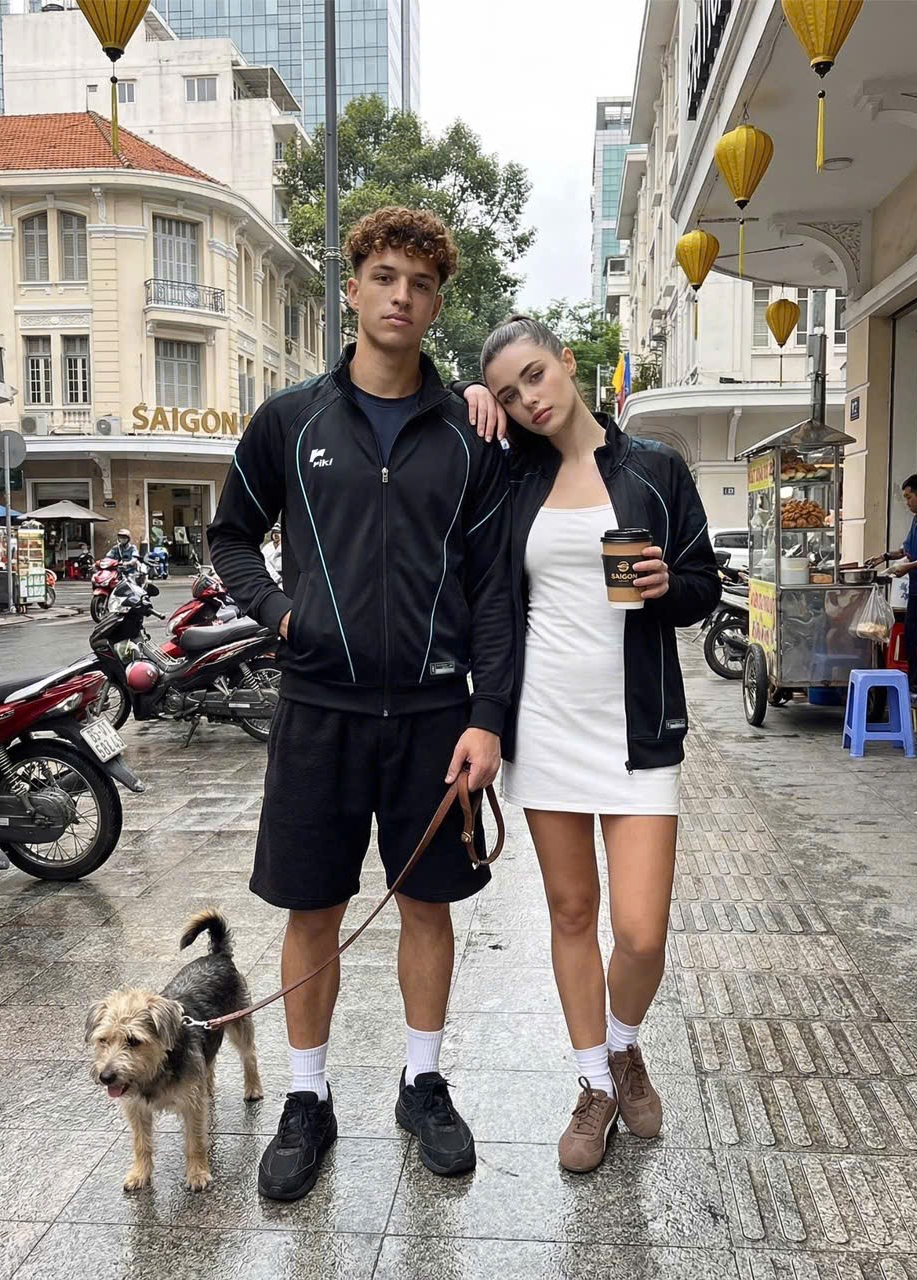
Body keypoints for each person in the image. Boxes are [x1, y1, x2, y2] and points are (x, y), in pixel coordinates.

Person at [207, 207, 513, 1202]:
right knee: (312, 908)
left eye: (420, 285)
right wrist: (279, 614)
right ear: (353, 288)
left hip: (432, 716)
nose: (400, 297)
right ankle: (307, 1095)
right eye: (384, 277)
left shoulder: (469, 434)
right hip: (318, 708)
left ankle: (422, 1083)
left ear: (437, 303)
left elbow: (494, 588)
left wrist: (487, 715)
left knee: (428, 904)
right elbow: (228, 535)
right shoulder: (290, 419)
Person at [459, 315, 719, 1173]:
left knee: (641, 933)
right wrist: (469, 391)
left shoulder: (654, 466)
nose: (527, 401)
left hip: (638, 726)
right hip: (546, 726)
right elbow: (495, 605)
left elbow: (702, 586)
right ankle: (595, 1083)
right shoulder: (510, 477)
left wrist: (667, 583)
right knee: (571, 913)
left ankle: (623, 1041)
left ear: (568, 363)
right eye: (508, 393)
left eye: (534, 376)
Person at [869, 472, 917, 705]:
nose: (907, 502)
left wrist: (907, 567)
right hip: (915, 591)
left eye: (909, 497)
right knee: (911, 638)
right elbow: (906, 549)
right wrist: (885, 557)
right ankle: (912, 687)